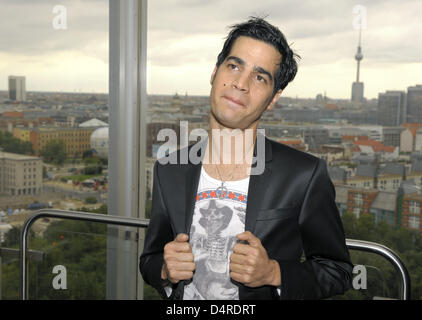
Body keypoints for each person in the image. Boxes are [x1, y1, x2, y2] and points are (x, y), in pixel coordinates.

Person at [140, 17, 353, 300]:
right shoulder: (169, 169)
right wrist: (165, 271)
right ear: (215, 72)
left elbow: (338, 272)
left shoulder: (303, 175)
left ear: (274, 98)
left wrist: (274, 273)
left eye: (259, 77)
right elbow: (150, 259)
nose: (240, 83)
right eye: (234, 65)